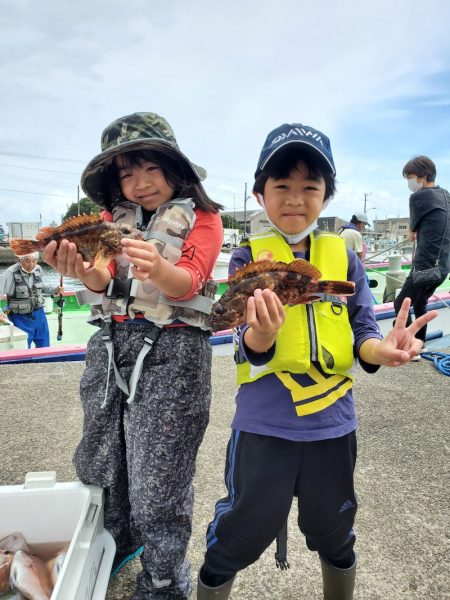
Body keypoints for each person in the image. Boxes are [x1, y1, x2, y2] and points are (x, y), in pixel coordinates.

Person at [197, 123, 437, 600]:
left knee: (335, 531)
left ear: (326, 197)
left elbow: (363, 331)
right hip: (264, 426)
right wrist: (262, 332)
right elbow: (246, 342)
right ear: (260, 192)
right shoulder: (246, 258)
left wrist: (382, 349)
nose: (294, 198)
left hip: (334, 425)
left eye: (310, 187)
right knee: (239, 534)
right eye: (281, 186)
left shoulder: (345, 259)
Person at [42, 112, 223, 600]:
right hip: (109, 345)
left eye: (150, 169)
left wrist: (161, 268)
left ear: (174, 168)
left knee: (159, 477)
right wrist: (82, 271)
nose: (139, 184)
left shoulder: (202, 218)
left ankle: (163, 580)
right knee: (100, 458)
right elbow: (102, 280)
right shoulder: (107, 223)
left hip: (173, 351)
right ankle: (112, 544)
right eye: (126, 173)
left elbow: (191, 280)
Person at [393, 155, 450, 352]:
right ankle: (420, 345)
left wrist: (412, 230)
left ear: (423, 175)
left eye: (410, 177)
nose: (409, 182)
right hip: (442, 268)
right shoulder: (446, 195)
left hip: (425, 267)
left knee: (401, 303)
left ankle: (407, 346)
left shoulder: (418, 196)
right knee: (419, 302)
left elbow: (412, 232)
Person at [0, 252, 63, 347]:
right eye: (27, 261)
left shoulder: (38, 269)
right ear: (20, 260)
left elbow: (42, 287)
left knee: (44, 345)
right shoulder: (9, 274)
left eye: (34, 261)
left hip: (39, 314)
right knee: (23, 346)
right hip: (19, 317)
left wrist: (55, 289)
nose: (31, 265)